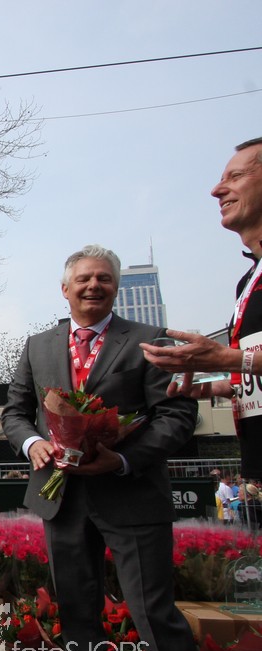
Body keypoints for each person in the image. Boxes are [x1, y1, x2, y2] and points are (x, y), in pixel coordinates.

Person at [2, 244, 228, 651]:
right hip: (62, 498)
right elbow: (15, 412)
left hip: (132, 495)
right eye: (83, 278)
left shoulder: (151, 341)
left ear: (116, 287)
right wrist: (33, 443)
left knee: (154, 616)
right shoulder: (38, 345)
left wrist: (123, 459)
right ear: (65, 289)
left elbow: (176, 416)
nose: (93, 286)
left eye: (104, 278)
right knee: (76, 612)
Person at [142, 138, 262, 485]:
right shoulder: (247, 281)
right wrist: (223, 387)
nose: (216, 190)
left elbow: (244, 360)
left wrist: (228, 359)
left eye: (235, 176)